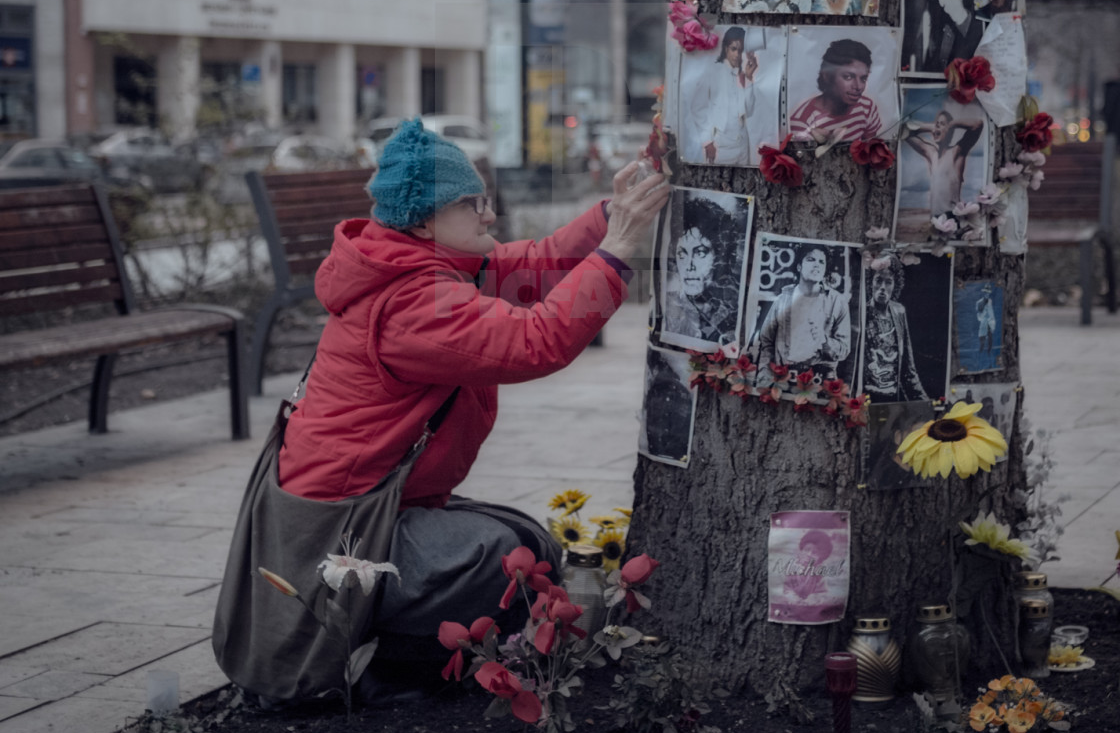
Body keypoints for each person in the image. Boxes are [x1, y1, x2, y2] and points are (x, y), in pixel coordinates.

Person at [274, 118, 669, 695]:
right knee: (501, 556)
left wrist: (613, 212)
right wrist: (618, 251)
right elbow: (537, 341)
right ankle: (371, 669)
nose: (490, 215)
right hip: (342, 530)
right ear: (428, 219)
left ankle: (427, 651)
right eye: (473, 204)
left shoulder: (421, 263)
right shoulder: (411, 301)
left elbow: (532, 266)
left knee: (523, 544)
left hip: (376, 505)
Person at [752, 244, 851, 375]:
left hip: (820, 380)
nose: (817, 265)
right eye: (811, 259)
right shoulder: (782, 300)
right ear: (799, 266)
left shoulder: (837, 302)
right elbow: (766, 342)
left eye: (821, 262)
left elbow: (844, 350)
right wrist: (765, 377)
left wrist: (824, 340)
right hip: (784, 377)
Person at [663, 194, 743, 348]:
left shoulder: (735, 312)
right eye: (682, 254)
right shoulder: (667, 306)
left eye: (700, 253)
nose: (689, 266)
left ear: (720, 256)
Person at [685, 26, 759, 165]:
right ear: (726, 49)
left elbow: (748, 110)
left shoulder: (743, 74)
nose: (737, 54)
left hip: (742, 144)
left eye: (741, 50)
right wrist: (707, 142)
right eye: (734, 49)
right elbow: (697, 107)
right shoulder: (713, 72)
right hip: (721, 145)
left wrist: (749, 79)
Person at [862, 255, 931, 405]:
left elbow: (908, 365)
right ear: (870, 282)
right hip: (867, 397)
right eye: (878, 280)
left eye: (888, 282)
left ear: (895, 285)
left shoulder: (899, 311)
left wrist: (925, 404)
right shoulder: (862, 312)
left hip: (892, 397)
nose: (882, 287)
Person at [789, 37, 883, 144]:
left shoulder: (866, 106)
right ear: (827, 76)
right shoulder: (802, 122)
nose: (858, 86)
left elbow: (870, 149)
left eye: (863, 79)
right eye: (848, 77)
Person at [903, 101, 984, 217]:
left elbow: (978, 124)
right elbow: (904, 131)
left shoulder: (957, 152)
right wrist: (931, 126)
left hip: (952, 217)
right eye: (937, 124)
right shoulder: (932, 154)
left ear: (950, 131)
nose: (937, 126)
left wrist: (952, 124)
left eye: (942, 124)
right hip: (935, 219)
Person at [975, 284, 998, 358]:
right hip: (983, 325)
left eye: (988, 292)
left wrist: (993, 325)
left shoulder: (990, 301)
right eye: (985, 292)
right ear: (983, 293)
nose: (987, 294)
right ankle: (979, 356)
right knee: (982, 343)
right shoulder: (979, 303)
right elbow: (979, 317)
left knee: (990, 342)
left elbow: (992, 314)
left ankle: (989, 356)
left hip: (990, 325)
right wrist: (984, 313)